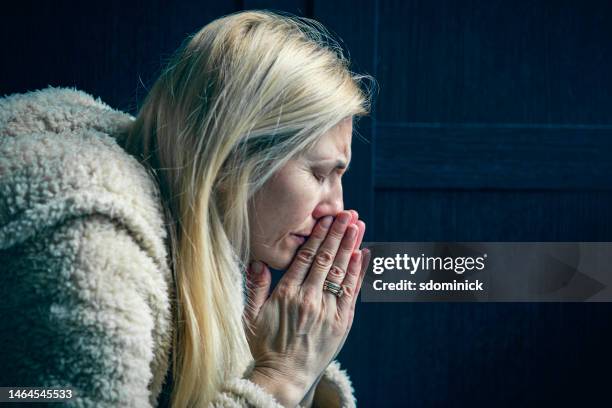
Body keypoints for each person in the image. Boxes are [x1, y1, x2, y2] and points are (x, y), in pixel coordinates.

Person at [0, 9, 373, 407]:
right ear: (232, 156)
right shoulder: (88, 251)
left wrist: (305, 366)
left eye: (340, 175)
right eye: (319, 174)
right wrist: (282, 377)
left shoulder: (203, 223)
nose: (337, 208)